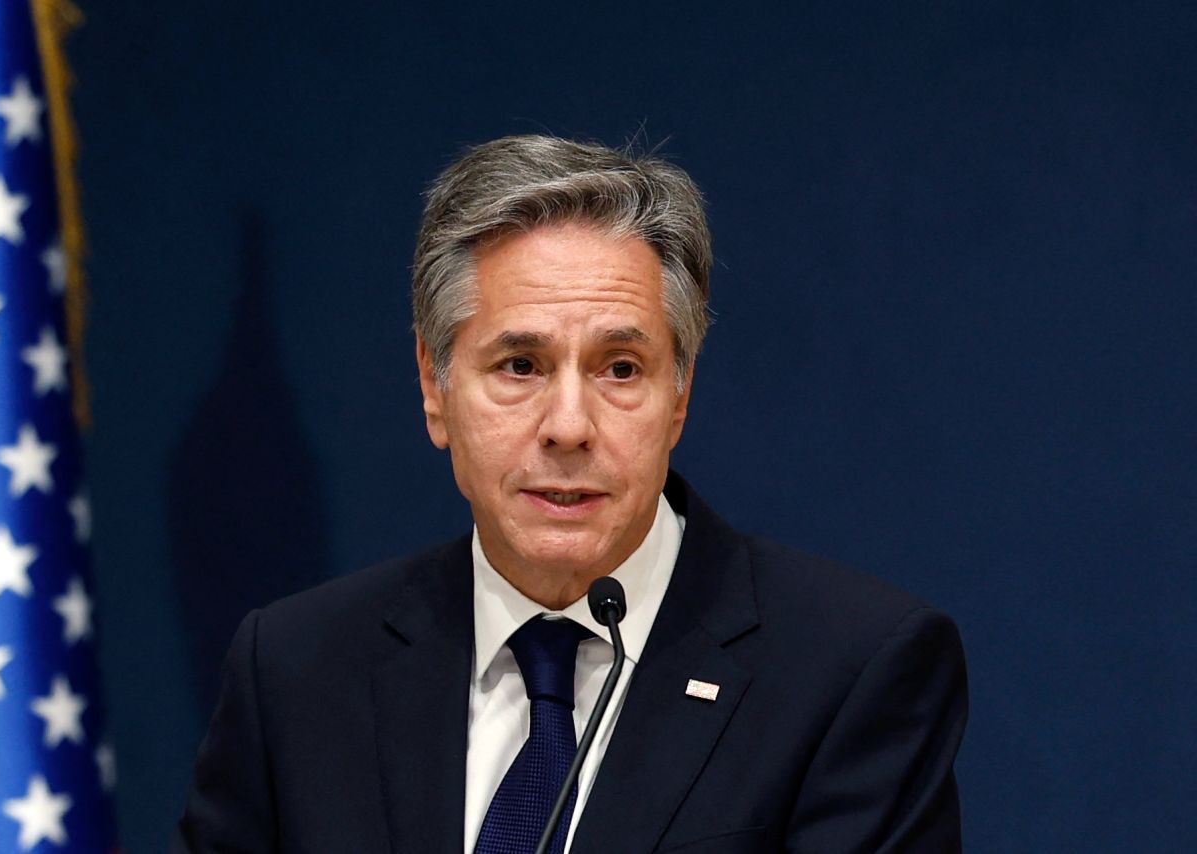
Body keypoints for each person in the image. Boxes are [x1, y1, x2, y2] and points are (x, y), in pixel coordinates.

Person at [173, 135, 968, 853]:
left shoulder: (850, 669)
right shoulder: (297, 669)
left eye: (620, 369)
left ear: (680, 394)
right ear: (434, 386)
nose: (568, 426)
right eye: (519, 366)